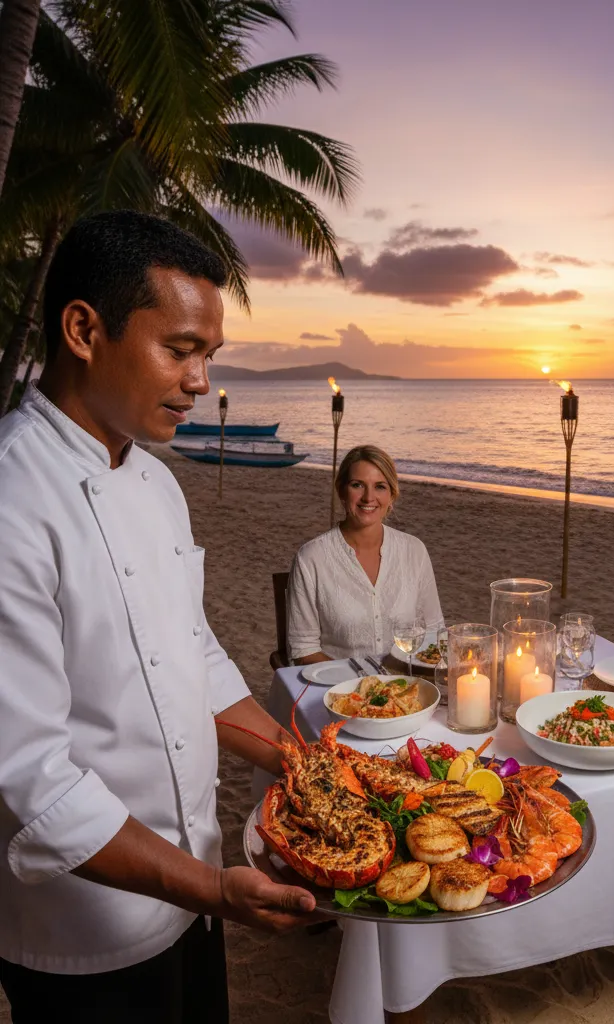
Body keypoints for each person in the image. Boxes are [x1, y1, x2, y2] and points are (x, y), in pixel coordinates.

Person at [0, 211, 318, 1023]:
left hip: (197, 893)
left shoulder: (157, 483)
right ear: (83, 329)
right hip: (84, 934)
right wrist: (215, 886)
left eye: (207, 356)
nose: (199, 381)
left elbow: (195, 658)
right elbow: (33, 777)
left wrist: (305, 764)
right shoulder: (12, 496)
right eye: (179, 349)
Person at [287, 444, 443, 664]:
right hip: (340, 690)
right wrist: (360, 687)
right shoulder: (311, 558)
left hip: (408, 687)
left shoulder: (414, 551)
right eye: (357, 485)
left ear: (392, 494)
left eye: (380, 486)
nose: (369, 497)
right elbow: (304, 649)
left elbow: (434, 631)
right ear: (341, 490)